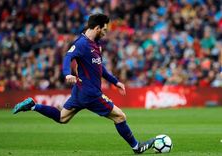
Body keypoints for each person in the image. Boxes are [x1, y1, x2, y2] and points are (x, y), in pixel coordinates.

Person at [12, 13, 155, 154]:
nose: (105, 33)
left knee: (62, 117)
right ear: (97, 28)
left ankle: (33, 106)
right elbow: (68, 57)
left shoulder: (96, 45)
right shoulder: (81, 44)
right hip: (90, 93)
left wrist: (115, 81)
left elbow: (100, 68)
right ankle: (136, 147)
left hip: (80, 91)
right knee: (120, 116)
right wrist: (67, 73)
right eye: (104, 30)